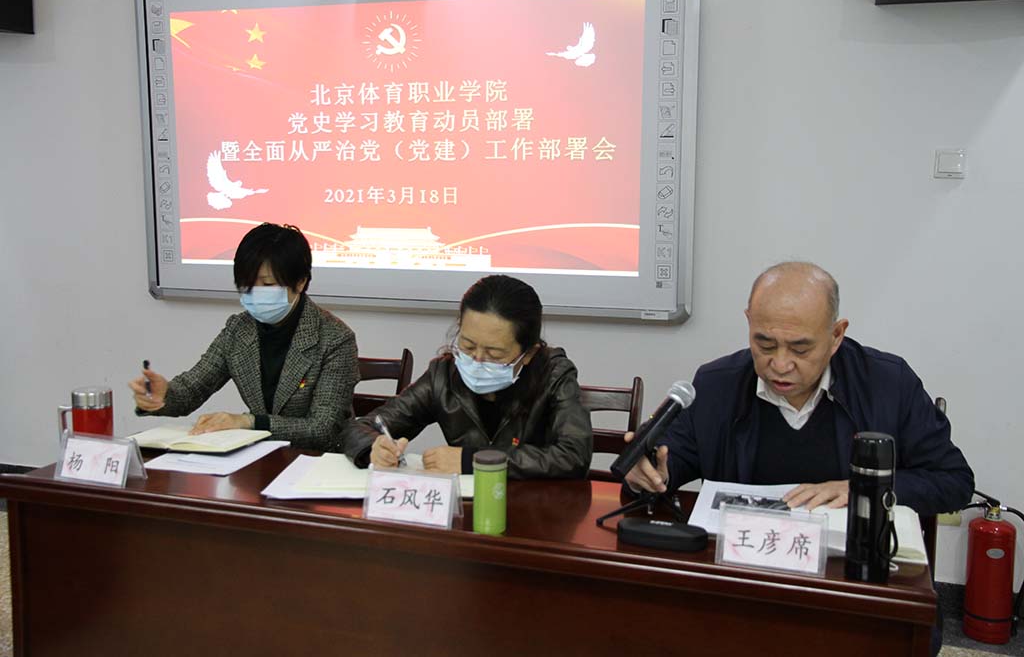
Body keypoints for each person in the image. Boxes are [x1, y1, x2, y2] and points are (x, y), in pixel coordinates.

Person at [625, 261, 974, 516]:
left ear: (836, 335)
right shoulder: (717, 384)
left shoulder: (887, 383)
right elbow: (670, 462)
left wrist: (863, 490)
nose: (780, 364)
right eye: (764, 344)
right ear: (749, 322)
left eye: (800, 349)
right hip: (745, 565)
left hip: (849, 570)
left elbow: (954, 481)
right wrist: (649, 472)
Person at [128, 223, 359, 451]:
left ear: (300, 282)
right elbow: (193, 388)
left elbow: (324, 428)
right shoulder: (239, 329)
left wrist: (250, 422)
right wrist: (162, 395)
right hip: (257, 457)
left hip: (318, 460)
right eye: (247, 284)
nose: (255, 293)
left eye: (267, 284)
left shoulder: (335, 338)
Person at [341, 274, 592, 479]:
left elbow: (574, 455)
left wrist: (473, 461)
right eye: (468, 345)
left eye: (494, 353)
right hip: (466, 510)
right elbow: (360, 427)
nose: (477, 360)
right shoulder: (444, 375)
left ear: (528, 353)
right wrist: (374, 447)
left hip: (535, 510)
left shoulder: (554, 375)